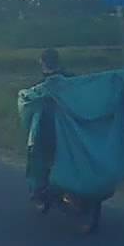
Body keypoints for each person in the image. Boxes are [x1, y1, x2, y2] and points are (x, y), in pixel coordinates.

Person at [31, 48, 74, 211]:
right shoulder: (71, 78)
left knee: (41, 159)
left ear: (42, 62)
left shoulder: (42, 85)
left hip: (50, 131)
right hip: (71, 129)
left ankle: (41, 193)